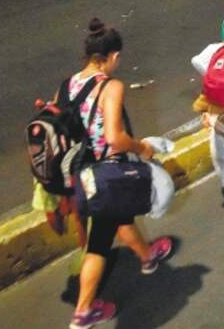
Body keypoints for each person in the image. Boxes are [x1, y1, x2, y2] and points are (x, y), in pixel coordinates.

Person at [67, 18, 174, 329]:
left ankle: (148, 256)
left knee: (114, 219)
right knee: (100, 242)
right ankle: (84, 312)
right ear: (111, 56)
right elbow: (114, 137)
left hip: (80, 174)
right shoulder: (111, 86)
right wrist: (142, 148)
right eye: (118, 58)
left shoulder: (68, 85)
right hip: (106, 174)